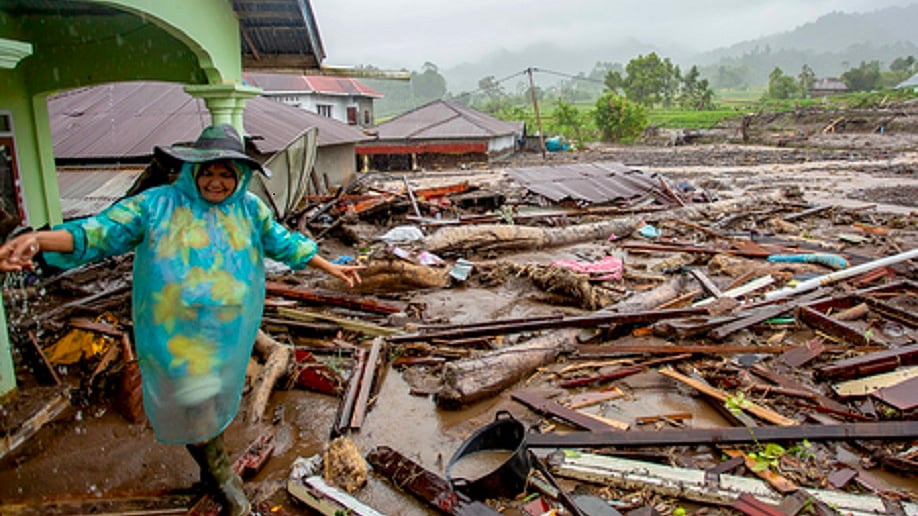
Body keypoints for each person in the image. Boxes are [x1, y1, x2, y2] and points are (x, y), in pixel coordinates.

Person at [0, 124, 362, 515]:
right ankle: (223, 477)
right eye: (209, 171)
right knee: (193, 400)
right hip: (171, 332)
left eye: (227, 174)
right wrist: (38, 241)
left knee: (215, 397)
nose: (217, 182)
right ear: (193, 170)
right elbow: (99, 232)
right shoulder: (156, 205)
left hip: (227, 332)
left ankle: (211, 472)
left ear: (240, 177)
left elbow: (284, 242)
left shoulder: (249, 209)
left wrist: (331, 268)